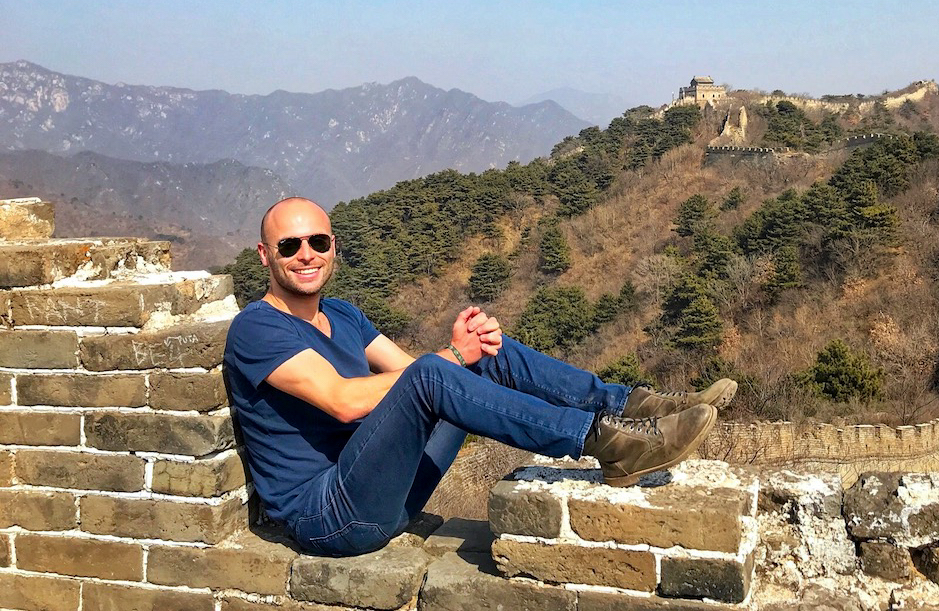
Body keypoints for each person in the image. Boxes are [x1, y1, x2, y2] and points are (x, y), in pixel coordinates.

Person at [224, 197, 736, 557]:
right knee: (439, 368)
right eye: (290, 246)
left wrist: (464, 351)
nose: (306, 254)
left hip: (387, 491)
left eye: (317, 241)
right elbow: (342, 400)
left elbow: (407, 376)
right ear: (265, 255)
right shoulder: (258, 328)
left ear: (334, 246)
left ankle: (633, 407)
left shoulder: (343, 314)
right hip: (331, 515)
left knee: (481, 352)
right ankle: (606, 443)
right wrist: (448, 356)